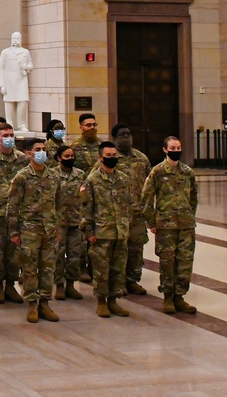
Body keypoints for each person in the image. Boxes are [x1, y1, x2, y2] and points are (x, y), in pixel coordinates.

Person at [142, 136, 199, 315]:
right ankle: (167, 296)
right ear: (165, 150)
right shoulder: (157, 172)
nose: (176, 151)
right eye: (172, 148)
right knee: (167, 261)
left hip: (185, 225)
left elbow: (193, 197)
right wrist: (151, 222)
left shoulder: (187, 172)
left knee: (185, 261)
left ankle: (179, 296)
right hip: (165, 225)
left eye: (178, 147)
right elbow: (147, 198)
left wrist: (189, 216)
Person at [7, 139, 62, 323]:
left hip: (49, 229)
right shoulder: (22, 177)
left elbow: (59, 204)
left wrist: (57, 227)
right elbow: (13, 206)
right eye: (37, 150)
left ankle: (45, 303)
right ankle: (32, 303)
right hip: (29, 229)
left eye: (44, 149)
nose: (41, 153)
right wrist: (14, 232)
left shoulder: (54, 176)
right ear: (29, 153)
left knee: (48, 268)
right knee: (30, 268)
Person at [80, 141, 132, 318]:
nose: (112, 158)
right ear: (100, 158)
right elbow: (86, 207)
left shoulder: (124, 179)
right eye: (108, 156)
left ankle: (113, 300)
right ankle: (101, 301)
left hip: (120, 231)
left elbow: (128, 205)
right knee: (102, 270)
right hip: (101, 232)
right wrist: (89, 231)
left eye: (114, 155)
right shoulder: (92, 180)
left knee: (118, 269)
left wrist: (126, 227)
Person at [0, 123, 29, 304]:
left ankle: (11, 285)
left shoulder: (23, 159)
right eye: (6, 135)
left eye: (11, 134)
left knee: (14, 251)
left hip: (16, 212)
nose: (9, 138)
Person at [110, 123, 152, 297]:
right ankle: (118, 282)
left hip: (137, 212)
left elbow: (150, 185)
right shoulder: (110, 158)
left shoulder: (141, 159)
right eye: (122, 134)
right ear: (114, 138)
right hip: (117, 213)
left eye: (128, 134)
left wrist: (150, 211)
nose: (126, 137)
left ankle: (133, 280)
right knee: (119, 250)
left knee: (136, 248)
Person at [54, 145, 86, 301]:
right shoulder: (52, 175)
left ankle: (71, 284)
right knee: (58, 254)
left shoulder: (80, 175)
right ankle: (59, 284)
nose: (70, 159)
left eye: (72, 156)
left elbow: (86, 197)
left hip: (76, 221)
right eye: (66, 156)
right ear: (59, 158)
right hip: (58, 223)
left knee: (75, 254)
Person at [0, 31, 33, 132]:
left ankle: (21, 124)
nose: (16, 40)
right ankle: (10, 124)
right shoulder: (5, 52)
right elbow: (1, 68)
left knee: (23, 101)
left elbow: (31, 65)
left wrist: (25, 67)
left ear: (21, 40)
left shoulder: (26, 52)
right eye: (14, 38)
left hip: (21, 80)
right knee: (9, 102)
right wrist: (2, 85)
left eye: (18, 38)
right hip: (9, 81)